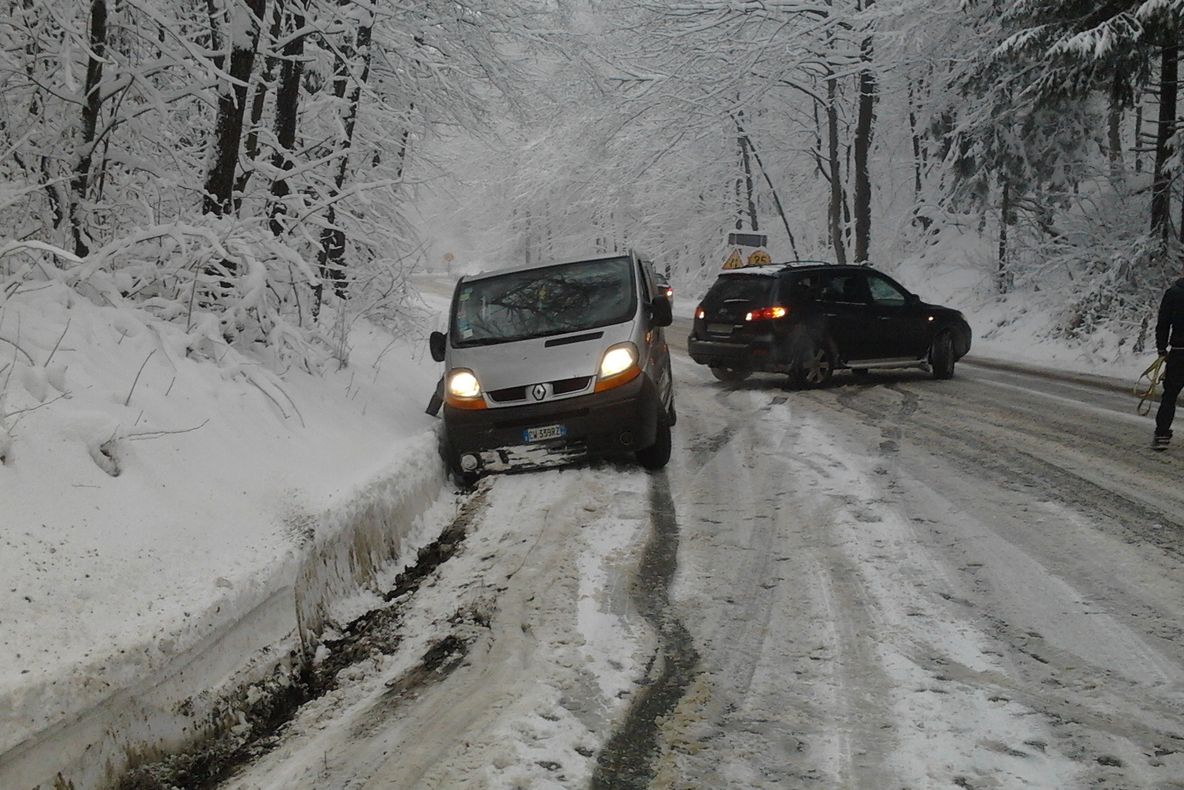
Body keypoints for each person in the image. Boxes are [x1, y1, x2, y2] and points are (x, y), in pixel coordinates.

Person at [1153, 270, 1184, 449]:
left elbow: (1163, 323)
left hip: (1178, 353)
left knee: (1170, 396)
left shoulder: (1173, 294)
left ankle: (1162, 435)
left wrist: (1161, 349)